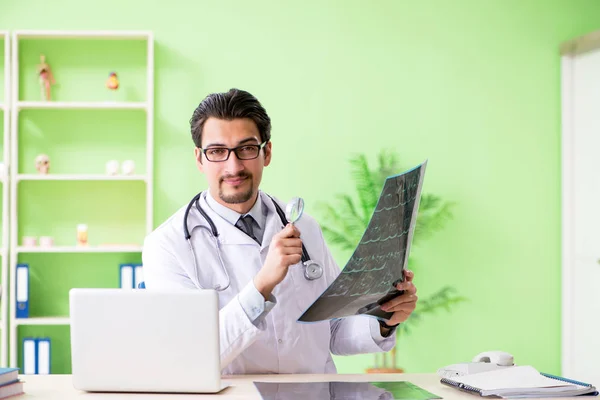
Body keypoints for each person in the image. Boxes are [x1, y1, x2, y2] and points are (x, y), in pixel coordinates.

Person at [142, 88, 418, 375]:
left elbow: (333, 331)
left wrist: (384, 318)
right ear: (200, 159)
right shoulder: (168, 246)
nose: (233, 166)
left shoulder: (304, 227)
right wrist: (262, 284)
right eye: (217, 152)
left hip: (315, 395)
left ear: (267, 152)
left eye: (247, 148)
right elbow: (190, 357)